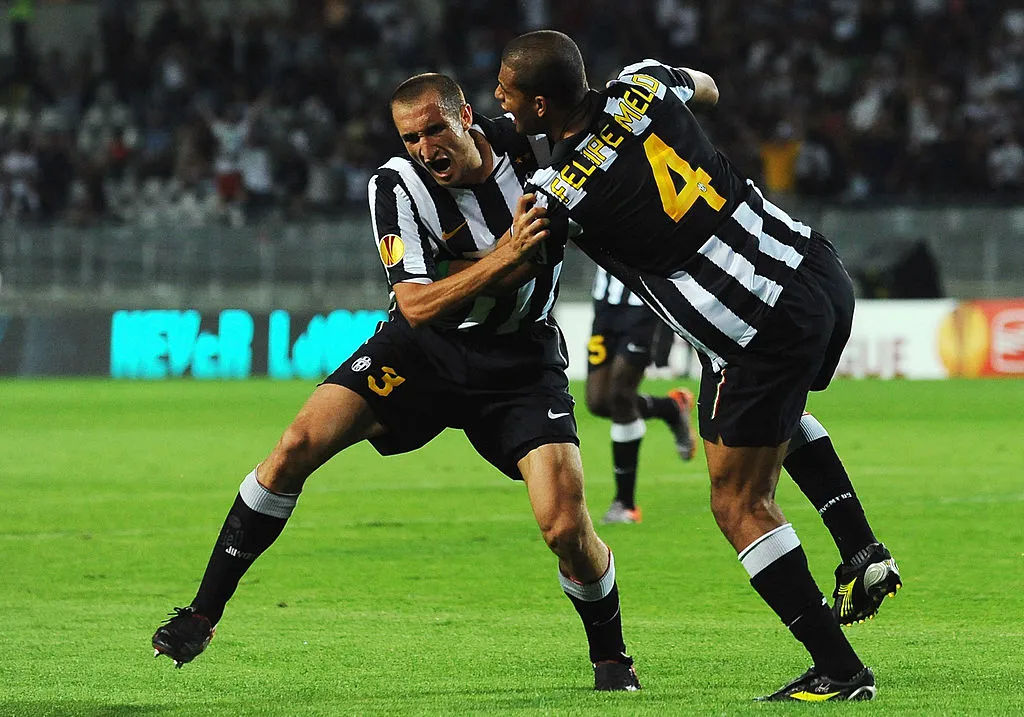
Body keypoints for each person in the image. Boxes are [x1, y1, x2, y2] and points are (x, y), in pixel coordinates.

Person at [151, 73, 641, 692]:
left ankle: (612, 657)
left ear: (466, 116)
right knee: (295, 445)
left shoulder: (533, 150)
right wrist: (505, 259)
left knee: (565, 526)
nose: (424, 148)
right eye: (411, 137)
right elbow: (414, 306)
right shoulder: (396, 185)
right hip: (421, 351)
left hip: (521, 361)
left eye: (436, 129)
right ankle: (202, 614)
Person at [494, 31, 901, 701]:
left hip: (751, 325)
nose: (500, 102)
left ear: (540, 106)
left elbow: (517, 261)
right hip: (814, 270)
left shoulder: (555, 190)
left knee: (737, 498)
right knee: (771, 419)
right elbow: (707, 86)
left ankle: (841, 669)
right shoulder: (642, 82)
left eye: (507, 95)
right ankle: (859, 548)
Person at [586, 265, 698, 525]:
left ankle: (625, 504)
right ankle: (671, 407)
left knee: (620, 396)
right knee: (599, 402)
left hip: (644, 302)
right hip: (605, 303)